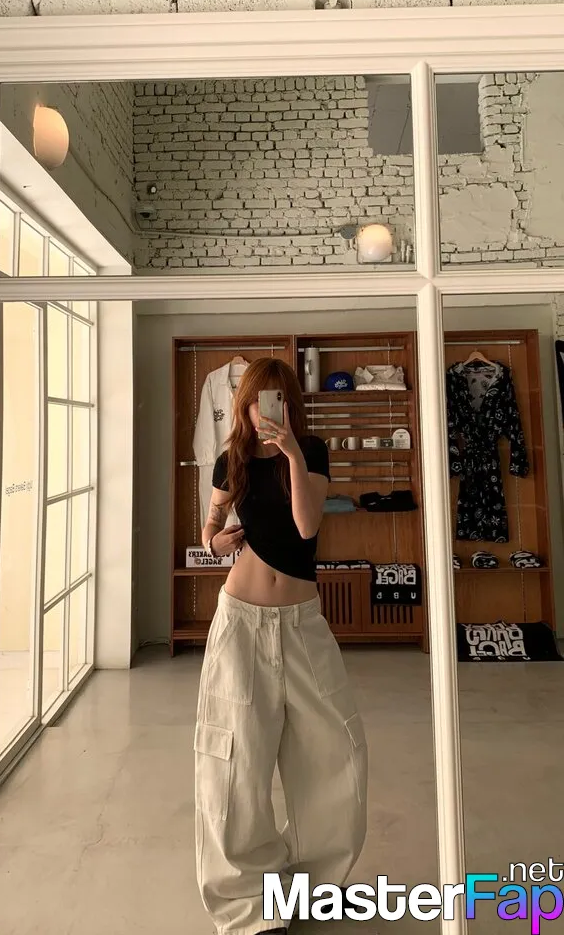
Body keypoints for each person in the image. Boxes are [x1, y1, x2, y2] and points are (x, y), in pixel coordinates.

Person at [193, 357, 368, 935]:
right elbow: (209, 523)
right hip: (240, 621)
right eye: (257, 399)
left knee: (335, 752)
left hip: (301, 623)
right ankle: (249, 908)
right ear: (243, 405)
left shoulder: (311, 451)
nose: (266, 410)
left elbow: (307, 526)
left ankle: (311, 886)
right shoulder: (231, 461)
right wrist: (215, 541)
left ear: (291, 404)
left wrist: (291, 451)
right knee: (234, 760)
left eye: (278, 399)